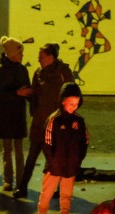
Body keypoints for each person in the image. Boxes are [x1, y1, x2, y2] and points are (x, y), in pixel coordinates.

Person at [14, 43, 74, 199]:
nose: (38, 59)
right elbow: (34, 94)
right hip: (40, 122)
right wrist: (29, 99)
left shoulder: (63, 72)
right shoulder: (38, 73)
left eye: (41, 56)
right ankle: (22, 188)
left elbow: (73, 94)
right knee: (32, 156)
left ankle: (60, 189)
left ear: (50, 57)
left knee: (55, 158)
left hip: (56, 124)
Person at [35, 82, 88, 214]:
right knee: (47, 192)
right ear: (62, 101)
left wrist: (77, 160)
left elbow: (85, 142)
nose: (73, 106)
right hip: (54, 164)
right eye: (70, 103)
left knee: (66, 195)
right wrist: (52, 162)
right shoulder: (54, 119)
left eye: (76, 103)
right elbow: (46, 142)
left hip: (71, 165)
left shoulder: (79, 121)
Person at [0, 37, 31, 193]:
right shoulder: (1, 71)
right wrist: (18, 93)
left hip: (16, 113)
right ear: (12, 53)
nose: (22, 55)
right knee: (9, 148)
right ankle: (8, 180)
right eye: (20, 52)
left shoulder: (22, 69)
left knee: (17, 149)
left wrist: (30, 94)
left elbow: (27, 89)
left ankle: (20, 180)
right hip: (6, 114)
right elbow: (1, 95)